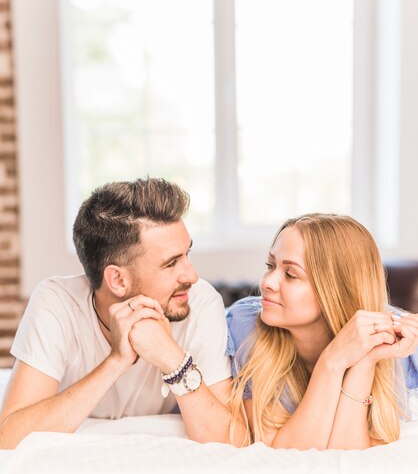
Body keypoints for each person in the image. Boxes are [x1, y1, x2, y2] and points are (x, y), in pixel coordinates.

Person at [0, 178, 236, 449]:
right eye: (171, 263)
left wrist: (172, 359)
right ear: (118, 281)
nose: (192, 275)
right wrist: (116, 361)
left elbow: (228, 437)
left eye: (187, 254)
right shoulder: (56, 302)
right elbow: (8, 438)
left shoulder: (200, 302)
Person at [226, 213, 418, 449]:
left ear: (336, 290)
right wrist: (332, 361)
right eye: (270, 265)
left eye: (290, 274)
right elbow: (286, 453)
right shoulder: (246, 327)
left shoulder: (397, 344)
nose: (267, 282)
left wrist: (365, 361)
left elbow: (347, 457)